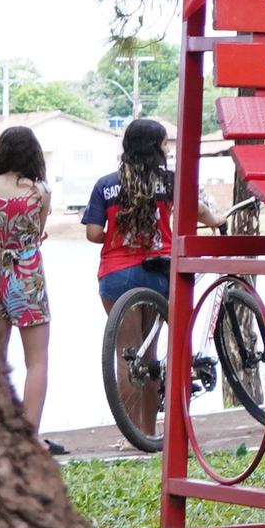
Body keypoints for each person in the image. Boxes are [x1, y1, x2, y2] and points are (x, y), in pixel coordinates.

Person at [83, 116, 205, 394]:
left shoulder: (106, 185)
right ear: (155, 148)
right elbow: (197, 209)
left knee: (127, 359)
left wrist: (115, 238)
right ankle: (149, 433)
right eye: (165, 144)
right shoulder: (170, 181)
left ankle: (131, 437)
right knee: (149, 358)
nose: (168, 149)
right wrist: (216, 219)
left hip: (116, 276)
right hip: (157, 273)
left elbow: (92, 233)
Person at [0, 125, 59, 452]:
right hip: (27, 277)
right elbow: (38, 234)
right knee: (36, 361)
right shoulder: (40, 192)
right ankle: (29, 437)